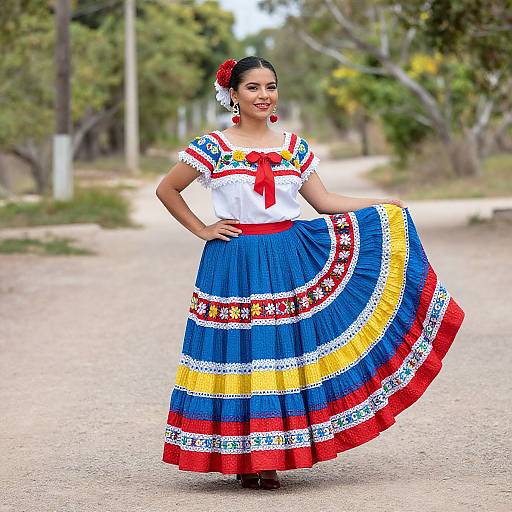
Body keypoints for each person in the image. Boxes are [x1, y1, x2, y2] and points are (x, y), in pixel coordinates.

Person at [155, 56, 465, 491]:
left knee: (280, 350)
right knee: (239, 351)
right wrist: (202, 229)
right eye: (253, 88)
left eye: (270, 86)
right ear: (233, 95)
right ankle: (241, 455)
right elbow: (167, 189)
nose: (263, 95)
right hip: (233, 259)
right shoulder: (213, 147)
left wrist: (380, 204)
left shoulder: (294, 148)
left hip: (286, 256)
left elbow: (324, 201)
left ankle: (270, 457)